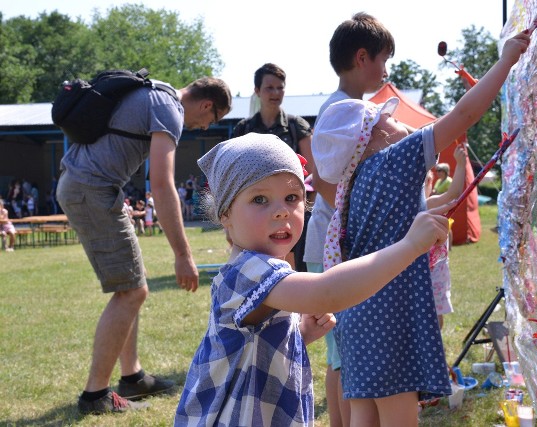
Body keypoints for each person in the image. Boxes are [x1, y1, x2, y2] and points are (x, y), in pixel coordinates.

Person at [312, 29, 531, 426]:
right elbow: (464, 115)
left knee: (365, 412)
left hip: (357, 314)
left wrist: (439, 206)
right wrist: (505, 62)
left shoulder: (355, 181)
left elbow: (401, 218)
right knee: (399, 415)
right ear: (374, 135)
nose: (399, 123)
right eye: (390, 120)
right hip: (390, 314)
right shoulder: (398, 157)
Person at [174, 133, 450, 426]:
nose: (281, 211)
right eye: (260, 199)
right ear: (225, 213)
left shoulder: (265, 271)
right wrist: (409, 246)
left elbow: (251, 350)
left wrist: (298, 335)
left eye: (291, 197)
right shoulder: (246, 271)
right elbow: (326, 291)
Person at [56, 75, 232, 415]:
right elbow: (163, 184)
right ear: (207, 104)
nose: (199, 126)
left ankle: (133, 376)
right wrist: (183, 254)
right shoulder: (170, 109)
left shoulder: (155, 90)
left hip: (88, 185)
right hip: (91, 189)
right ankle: (96, 396)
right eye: (207, 121)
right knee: (132, 292)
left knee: (132, 284)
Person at [303, 12, 396, 426]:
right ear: (362, 58)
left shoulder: (340, 107)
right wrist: (358, 221)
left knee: (340, 354)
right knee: (346, 360)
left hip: (330, 246)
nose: (386, 70)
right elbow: (325, 182)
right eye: (384, 59)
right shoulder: (345, 111)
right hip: (334, 247)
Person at [232, 63, 314, 272]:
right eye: (270, 87)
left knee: (295, 274)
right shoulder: (244, 129)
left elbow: (313, 173)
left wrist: (303, 208)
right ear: (257, 91)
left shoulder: (297, 126)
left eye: (280, 87)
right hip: (256, 212)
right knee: (257, 271)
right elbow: (232, 175)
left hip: (293, 212)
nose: (276, 93)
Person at [424, 144, 468, 329]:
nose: (430, 185)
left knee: (435, 309)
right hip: (425, 270)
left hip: (435, 269)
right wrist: (460, 165)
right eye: (428, 181)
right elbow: (453, 194)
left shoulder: (427, 204)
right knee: (432, 309)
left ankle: (433, 342)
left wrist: (461, 165)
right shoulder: (424, 204)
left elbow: (453, 193)